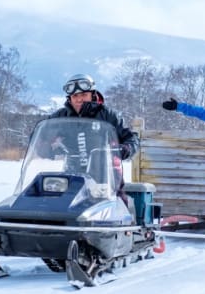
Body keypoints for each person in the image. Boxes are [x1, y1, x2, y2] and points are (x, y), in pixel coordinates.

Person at [49, 74, 139, 205]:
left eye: (84, 94)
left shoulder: (106, 114)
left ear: (92, 94)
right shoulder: (60, 116)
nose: (79, 99)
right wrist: (47, 147)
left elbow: (131, 137)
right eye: (75, 96)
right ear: (69, 98)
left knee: (118, 207)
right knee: (64, 209)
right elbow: (41, 136)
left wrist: (127, 148)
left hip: (106, 177)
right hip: (72, 177)